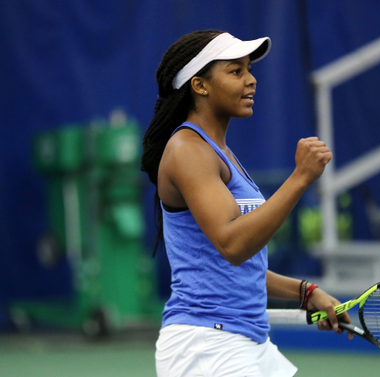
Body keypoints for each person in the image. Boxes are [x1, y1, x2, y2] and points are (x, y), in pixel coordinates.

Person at [141, 29, 352, 377]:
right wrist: (300, 178)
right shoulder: (188, 150)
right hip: (205, 347)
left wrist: (305, 291)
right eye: (235, 71)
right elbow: (233, 244)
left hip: (246, 340)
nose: (251, 81)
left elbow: (236, 267)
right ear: (200, 85)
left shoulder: (220, 152)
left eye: (249, 70)